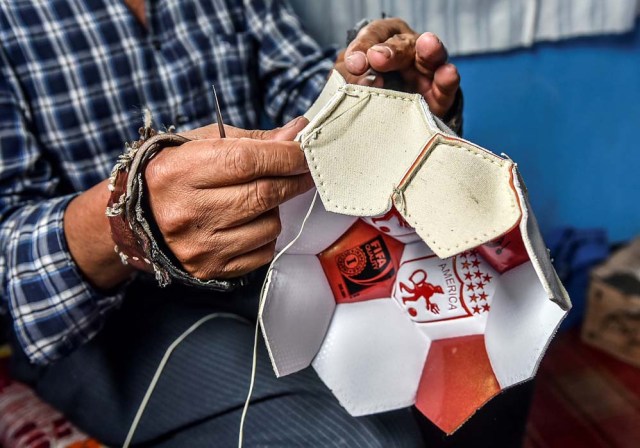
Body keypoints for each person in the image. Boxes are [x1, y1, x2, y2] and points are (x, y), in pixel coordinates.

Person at [1, 1, 533, 447]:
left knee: (493, 327)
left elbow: (295, 92)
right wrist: (125, 222)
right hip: (104, 317)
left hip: (276, 253)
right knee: (357, 443)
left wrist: (365, 93)